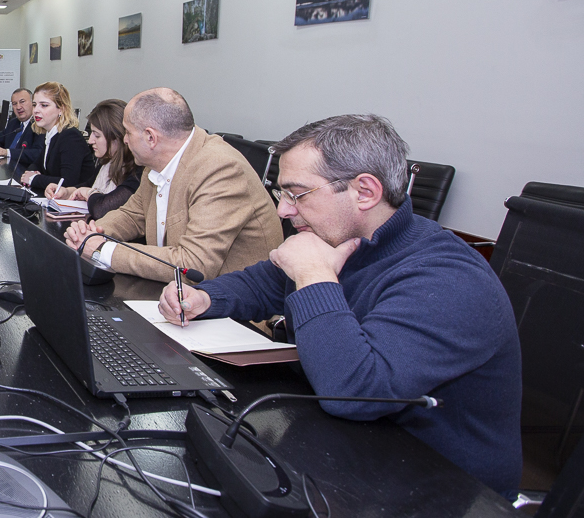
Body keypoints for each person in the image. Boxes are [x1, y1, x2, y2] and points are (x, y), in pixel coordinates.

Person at [157, 114, 521, 496]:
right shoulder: (340, 237)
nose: (283, 210)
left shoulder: (449, 279)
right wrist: (206, 297)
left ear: (364, 192)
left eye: (297, 194)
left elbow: (354, 391)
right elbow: (266, 282)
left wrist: (313, 274)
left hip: (440, 487)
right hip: (349, 445)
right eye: (282, 194)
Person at [64, 87, 282, 282]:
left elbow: (193, 265)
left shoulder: (220, 169)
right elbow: (132, 215)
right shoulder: (157, 162)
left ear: (151, 137)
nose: (125, 140)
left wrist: (104, 250)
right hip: (175, 294)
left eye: (128, 132)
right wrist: (90, 234)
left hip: (229, 306)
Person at [46, 99, 142, 220]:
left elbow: (101, 208)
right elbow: (88, 185)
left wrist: (89, 193)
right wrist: (66, 192)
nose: (91, 141)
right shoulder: (107, 163)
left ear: (117, 138)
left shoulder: (137, 172)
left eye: (97, 135)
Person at [18, 82, 97, 193]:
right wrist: (30, 173)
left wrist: (34, 179)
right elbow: (37, 164)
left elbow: (68, 182)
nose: (35, 110)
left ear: (61, 109)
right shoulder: (51, 134)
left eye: (44, 105)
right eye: (35, 105)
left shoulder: (70, 136)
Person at [0, 88, 39, 164]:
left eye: (22, 102)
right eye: (14, 104)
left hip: (23, 168)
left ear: (33, 103)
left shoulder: (39, 126)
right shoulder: (14, 123)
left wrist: (7, 152)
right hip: (5, 166)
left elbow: (37, 153)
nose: (18, 107)